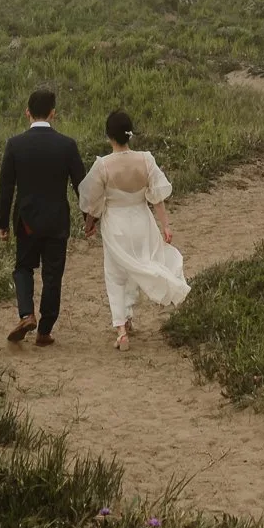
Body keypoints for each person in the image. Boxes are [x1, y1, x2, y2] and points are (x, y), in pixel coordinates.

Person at [77, 108, 189, 350]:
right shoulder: (146, 159)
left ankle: (120, 328)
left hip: (115, 223)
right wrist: (165, 226)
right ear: (129, 134)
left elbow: (92, 201)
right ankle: (128, 318)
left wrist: (89, 224)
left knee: (115, 275)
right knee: (135, 269)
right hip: (141, 221)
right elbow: (157, 196)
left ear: (109, 136)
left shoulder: (103, 166)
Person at [0, 86, 86, 346]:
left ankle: (27, 314)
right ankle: (44, 331)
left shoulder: (15, 144)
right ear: (53, 114)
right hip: (57, 221)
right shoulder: (67, 145)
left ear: (27, 113)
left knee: (23, 268)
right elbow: (82, 185)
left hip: (27, 222)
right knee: (52, 275)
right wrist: (89, 216)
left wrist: (2, 223)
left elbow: (6, 188)